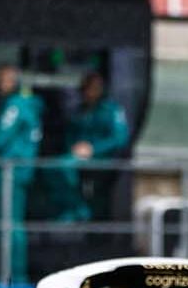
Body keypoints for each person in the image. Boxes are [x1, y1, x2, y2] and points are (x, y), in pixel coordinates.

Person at [48, 70, 132, 222]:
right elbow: (72, 134)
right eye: (88, 88)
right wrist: (75, 148)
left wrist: (93, 149)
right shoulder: (80, 111)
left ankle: (83, 213)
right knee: (55, 168)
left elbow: (120, 138)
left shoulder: (111, 110)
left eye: (95, 88)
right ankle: (76, 208)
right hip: (79, 160)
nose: (91, 92)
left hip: (104, 160)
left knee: (97, 197)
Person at [0, 64, 43, 271]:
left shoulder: (15, 105)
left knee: (10, 225)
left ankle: (12, 276)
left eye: (5, 79)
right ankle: (14, 274)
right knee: (15, 223)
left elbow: (0, 138)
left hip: (10, 171)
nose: (0, 83)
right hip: (23, 169)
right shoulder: (31, 105)